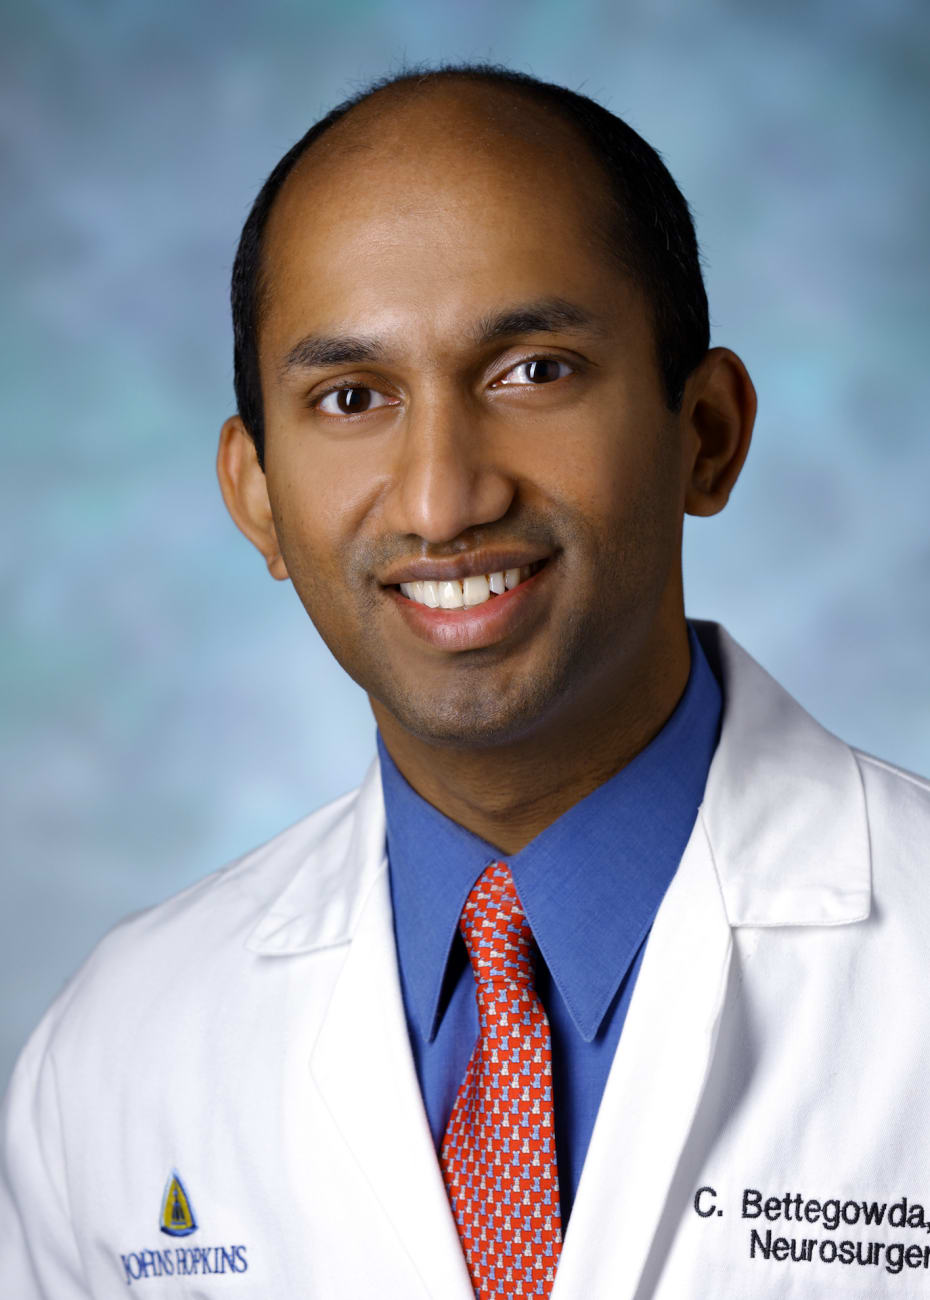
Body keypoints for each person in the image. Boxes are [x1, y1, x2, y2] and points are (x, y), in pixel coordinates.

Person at [2, 62, 929, 1300]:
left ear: (704, 431)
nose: (445, 498)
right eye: (352, 397)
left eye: (532, 371)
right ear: (257, 499)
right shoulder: (118, 1052)